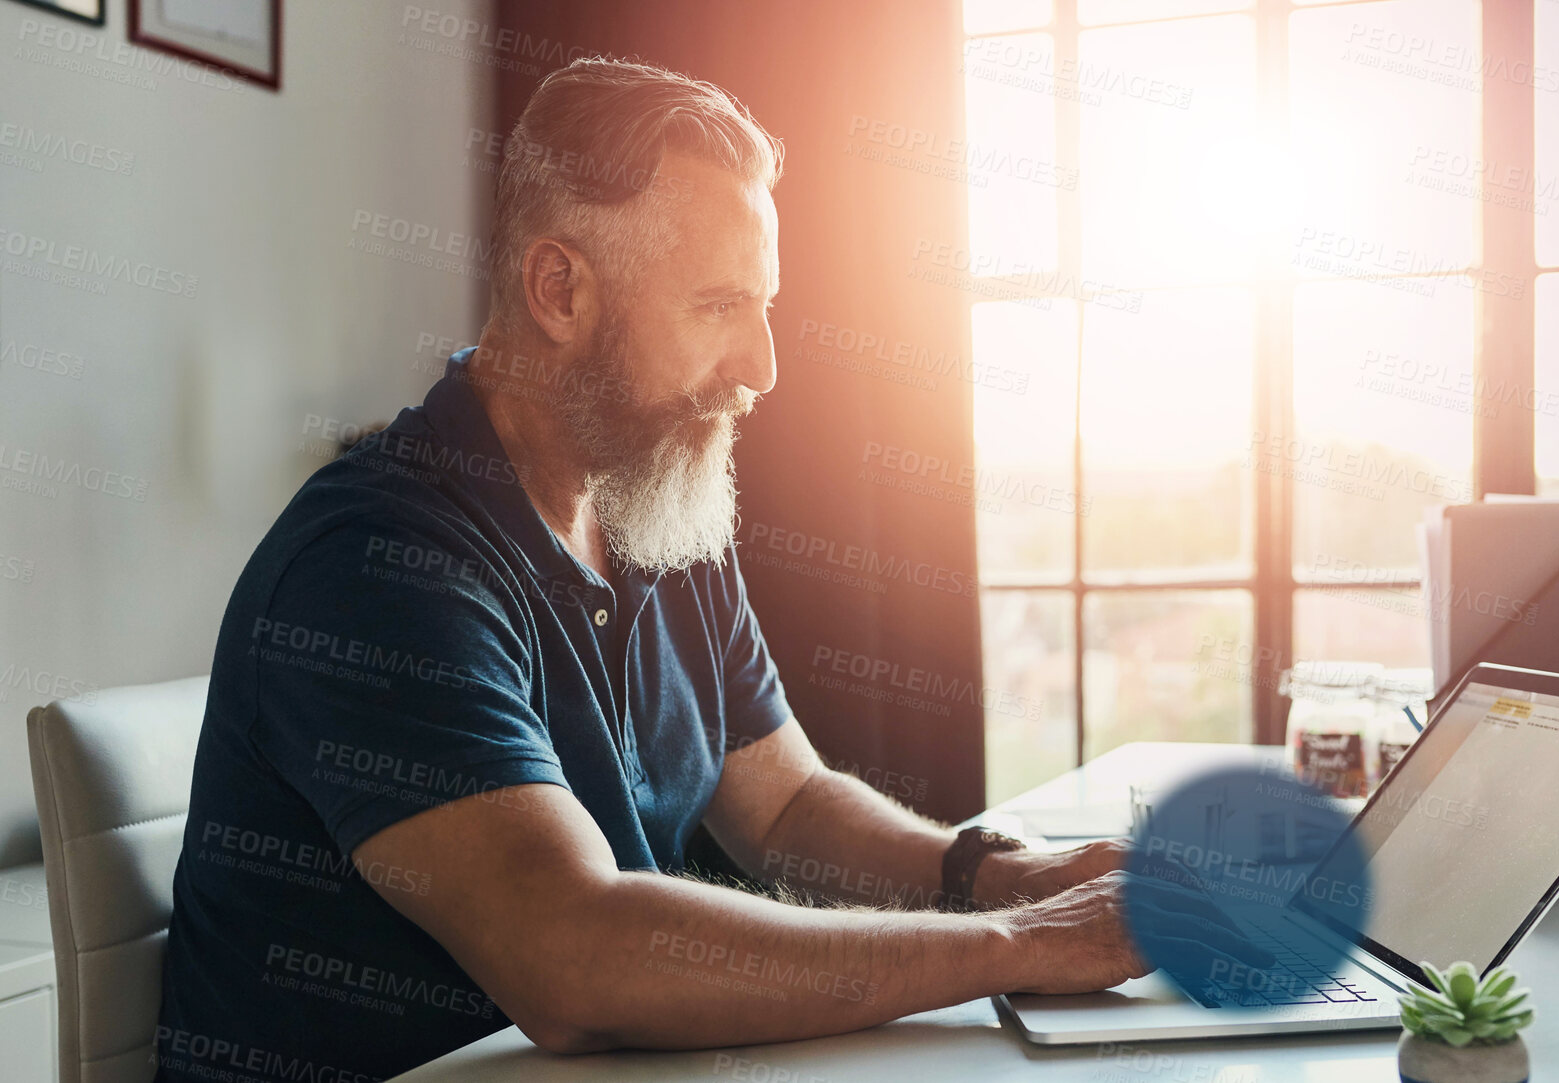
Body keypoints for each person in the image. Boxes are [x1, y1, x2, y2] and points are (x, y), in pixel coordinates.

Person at [154, 57, 1150, 1082]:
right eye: (718, 305)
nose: (762, 369)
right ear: (559, 289)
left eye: (762, 305)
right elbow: (574, 959)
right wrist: (1021, 950)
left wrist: (998, 878)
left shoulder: (652, 501)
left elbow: (786, 805)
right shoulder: (377, 564)